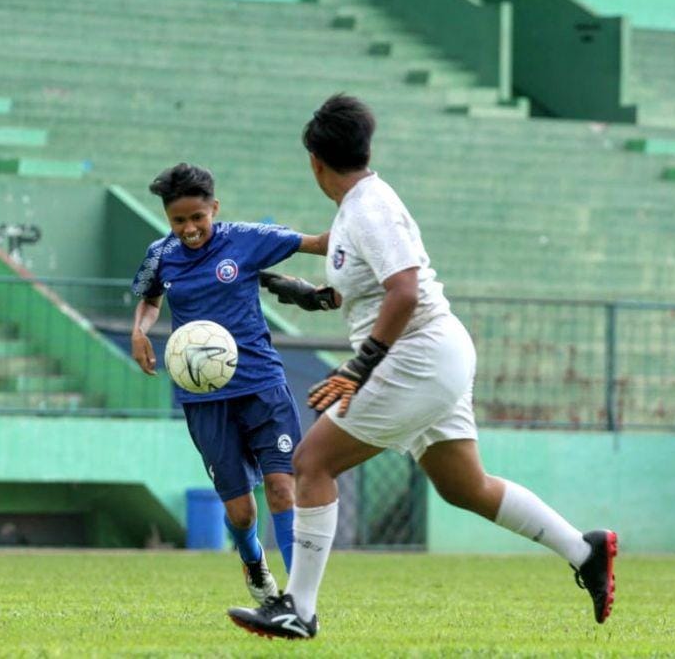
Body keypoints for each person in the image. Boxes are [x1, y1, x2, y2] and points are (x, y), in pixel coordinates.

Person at [228, 94, 618, 639]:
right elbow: (365, 290)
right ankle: (585, 549)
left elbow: (405, 292)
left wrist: (359, 368)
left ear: (314, 161)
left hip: (419, 357)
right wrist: (307, 295)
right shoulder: (355, 212)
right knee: (465, 486)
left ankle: (299, 607)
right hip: (432, 357)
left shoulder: (370, 208)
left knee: (312, 463)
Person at [130, 162, 335, 604]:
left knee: (283, 488)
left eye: (197, 218)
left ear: (214, 209)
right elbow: (150, 299)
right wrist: (139, 330)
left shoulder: (244, 239)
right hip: (203, 396)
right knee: (241, 512)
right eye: (178, 221)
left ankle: (299, 600)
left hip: (262, 383)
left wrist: (361, 246)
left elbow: (315, 243)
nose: (189, 229)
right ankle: (252, 559)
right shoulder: (159, 255)